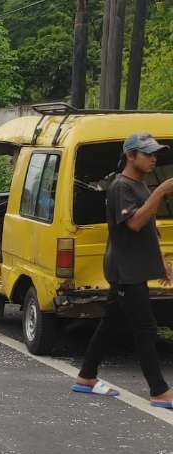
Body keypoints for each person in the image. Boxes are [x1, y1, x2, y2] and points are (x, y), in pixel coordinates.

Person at [74, 132, 173, 407]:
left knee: (110, 323)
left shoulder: (139, 184)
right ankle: (159, 391)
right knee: (146, 328)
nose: (154, 158)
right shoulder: (121, 187)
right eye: (148, 154)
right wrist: (162, 191)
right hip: (125, 270)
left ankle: (86, 377)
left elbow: (148, 228)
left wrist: (161, 260)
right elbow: (133, 224)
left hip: (134, 268)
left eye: (156, 154)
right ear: (130, 156)